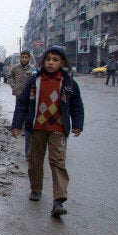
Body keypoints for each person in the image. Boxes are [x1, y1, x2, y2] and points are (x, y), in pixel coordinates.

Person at [11, 46, 84, 216]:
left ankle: (59, 200)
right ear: (44, 60)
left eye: (55, 60)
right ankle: (36, 189)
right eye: (48, 59)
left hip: (58, 129)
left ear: (62, 63)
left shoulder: (69, 83)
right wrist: (16, 125)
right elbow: (22, 103)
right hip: (36, 128)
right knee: (35, 160)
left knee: (58, 163)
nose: (51, 63)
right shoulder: (35, 80)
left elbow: (76, 105)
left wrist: (77, 123)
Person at [7, 50, 36, 158]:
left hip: (30, 96)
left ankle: (26, 128)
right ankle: (20, 126)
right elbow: (9, 77)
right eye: (22, 57)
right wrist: (14, 86)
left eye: (26, 57)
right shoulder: (15, 68)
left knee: (29, 112)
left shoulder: (33, 69)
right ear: (20, 58)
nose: (24, 59)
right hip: (19, 94)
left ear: (29, 58)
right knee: (19, 110)